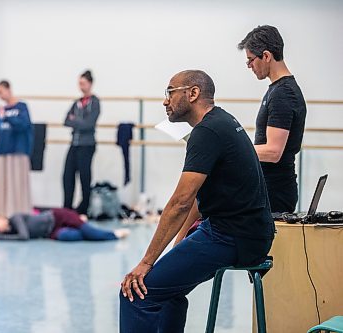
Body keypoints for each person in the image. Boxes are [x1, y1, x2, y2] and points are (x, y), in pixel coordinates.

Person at [119, 70, 274, 333]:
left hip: (232, 236)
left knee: (135, 294)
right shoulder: (221, 121)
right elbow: (199, 201)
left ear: (192, 93)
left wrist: (146, 262)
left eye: (170, 92)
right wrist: (178, 245)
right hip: (238, 230)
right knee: (168, 292)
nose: (165, 101)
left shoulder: (207, 132)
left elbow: (180, 201)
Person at [238, 25, 307, 213]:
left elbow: (273, 152)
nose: (250, 66)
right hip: (268, 187)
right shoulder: (277, 90)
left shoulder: (283, 94)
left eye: (251, 60)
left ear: (266, 56)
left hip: (275, 192)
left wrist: (232, 149)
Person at [0, 80, 33, 217]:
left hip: (18, 149)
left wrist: (7, 118)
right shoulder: (1, 110)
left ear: (8, 89)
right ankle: (1, 210)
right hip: (3, 149)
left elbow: (24, 125)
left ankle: (19, 211)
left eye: (0, 92)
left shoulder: (21, 107)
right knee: (3, 183)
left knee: (17, 182)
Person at [63, 70, 100, 215]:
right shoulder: (76, 103)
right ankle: (67, 208)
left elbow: (89, 124)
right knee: (67, 176)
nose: (81, 86)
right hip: (75, 144)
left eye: (83, 83)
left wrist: (75, 120)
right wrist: (79, 122)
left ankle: (84, 209)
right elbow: (66, 121)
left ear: (90, 84)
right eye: (79, 83)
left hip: (87, 145)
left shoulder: (94, 102)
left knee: (85, 177)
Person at [0, 208, 129, 241]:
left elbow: (24, 236)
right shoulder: (10, 232)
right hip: (51, 232)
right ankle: (80, 222)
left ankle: (114, 234)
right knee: (68, 237)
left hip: (57, 217)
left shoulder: (15, 217)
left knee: (92, 234)